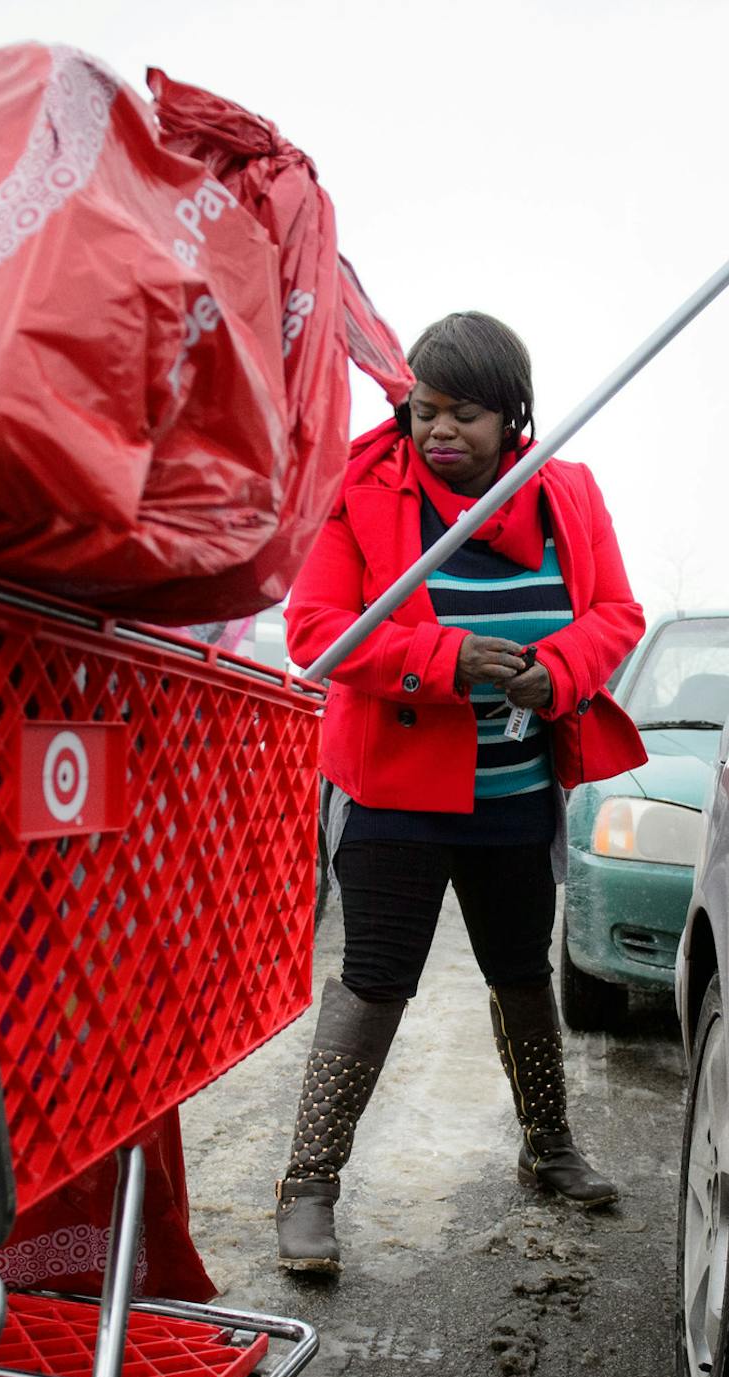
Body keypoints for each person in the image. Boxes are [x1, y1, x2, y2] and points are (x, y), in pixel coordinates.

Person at [275, 311, 647, 1273]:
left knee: (522, 972)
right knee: (375, 980)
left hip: (515, 792)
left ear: (512, 417)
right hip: (397, 793)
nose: (438, 431)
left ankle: (548, 1146)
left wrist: (554, 672)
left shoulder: (565, 492)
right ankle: (309, 1185)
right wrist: (447, 659)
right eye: (423, 409)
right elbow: (317, 629)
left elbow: (616, 612)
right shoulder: (361, 491)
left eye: (464, 415)